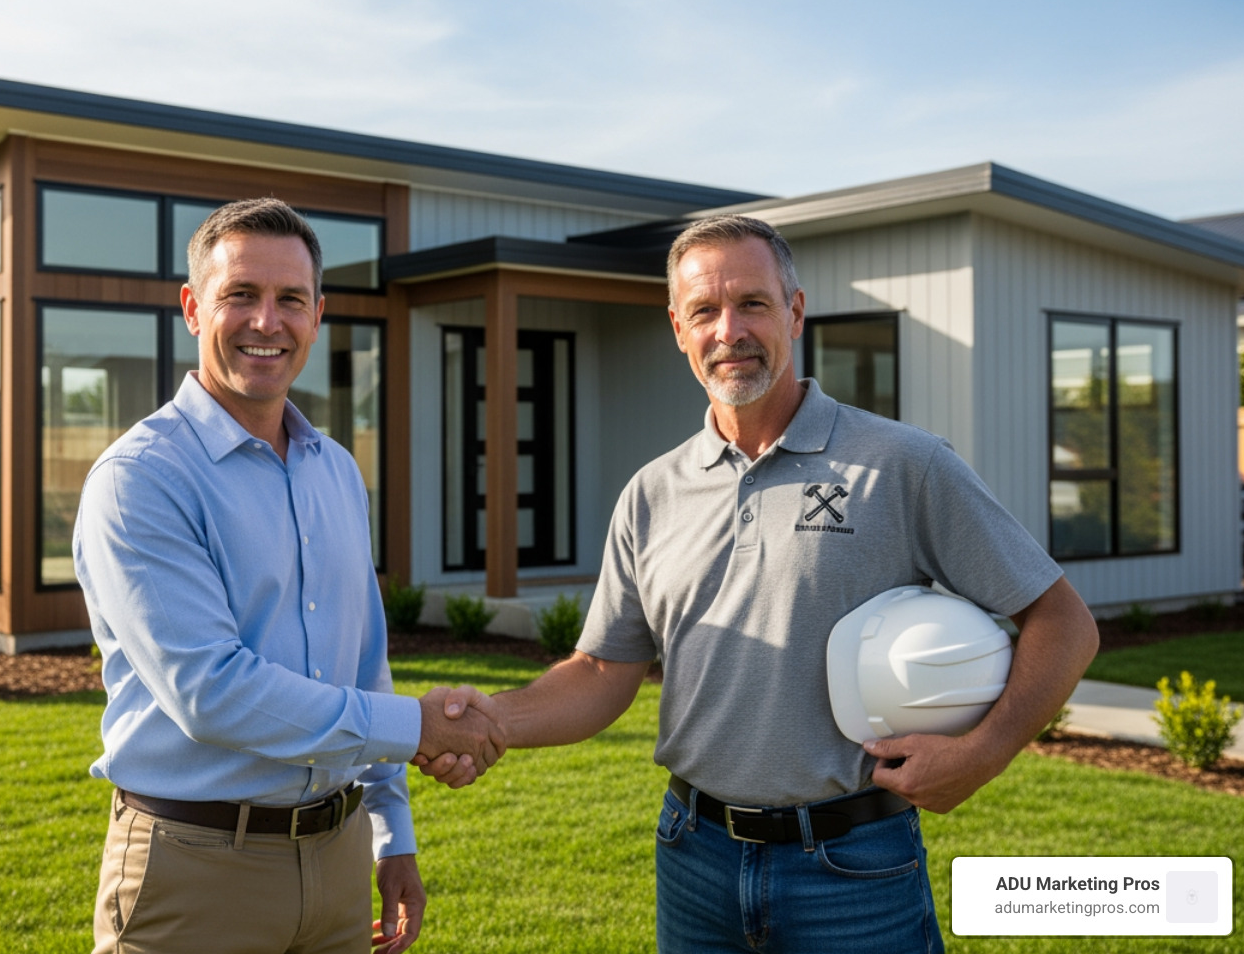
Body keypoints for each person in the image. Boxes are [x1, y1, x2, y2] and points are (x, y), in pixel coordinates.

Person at [420, 214, 1099, 953]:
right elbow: (603, 671)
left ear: (795, 312)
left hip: (852, 869)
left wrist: (983, 753)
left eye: (752, 303)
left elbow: (1063, 622)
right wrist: (493, 720)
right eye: (705, 311)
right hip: (692, 856)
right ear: (678, 329)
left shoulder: (904, 465)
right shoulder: (652, 493)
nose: (729, 331)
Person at [75, 197, 504, 954]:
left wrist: (391, 833)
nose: (267, 322)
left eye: (291, 300)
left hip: (337, 862)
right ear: (192, 308)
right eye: (241, 294)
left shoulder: (335, 469)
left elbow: (363, 665)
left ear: (318, 315)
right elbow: (212, 692)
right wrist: (419, 727)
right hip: (195, 872)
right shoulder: (141, 478)